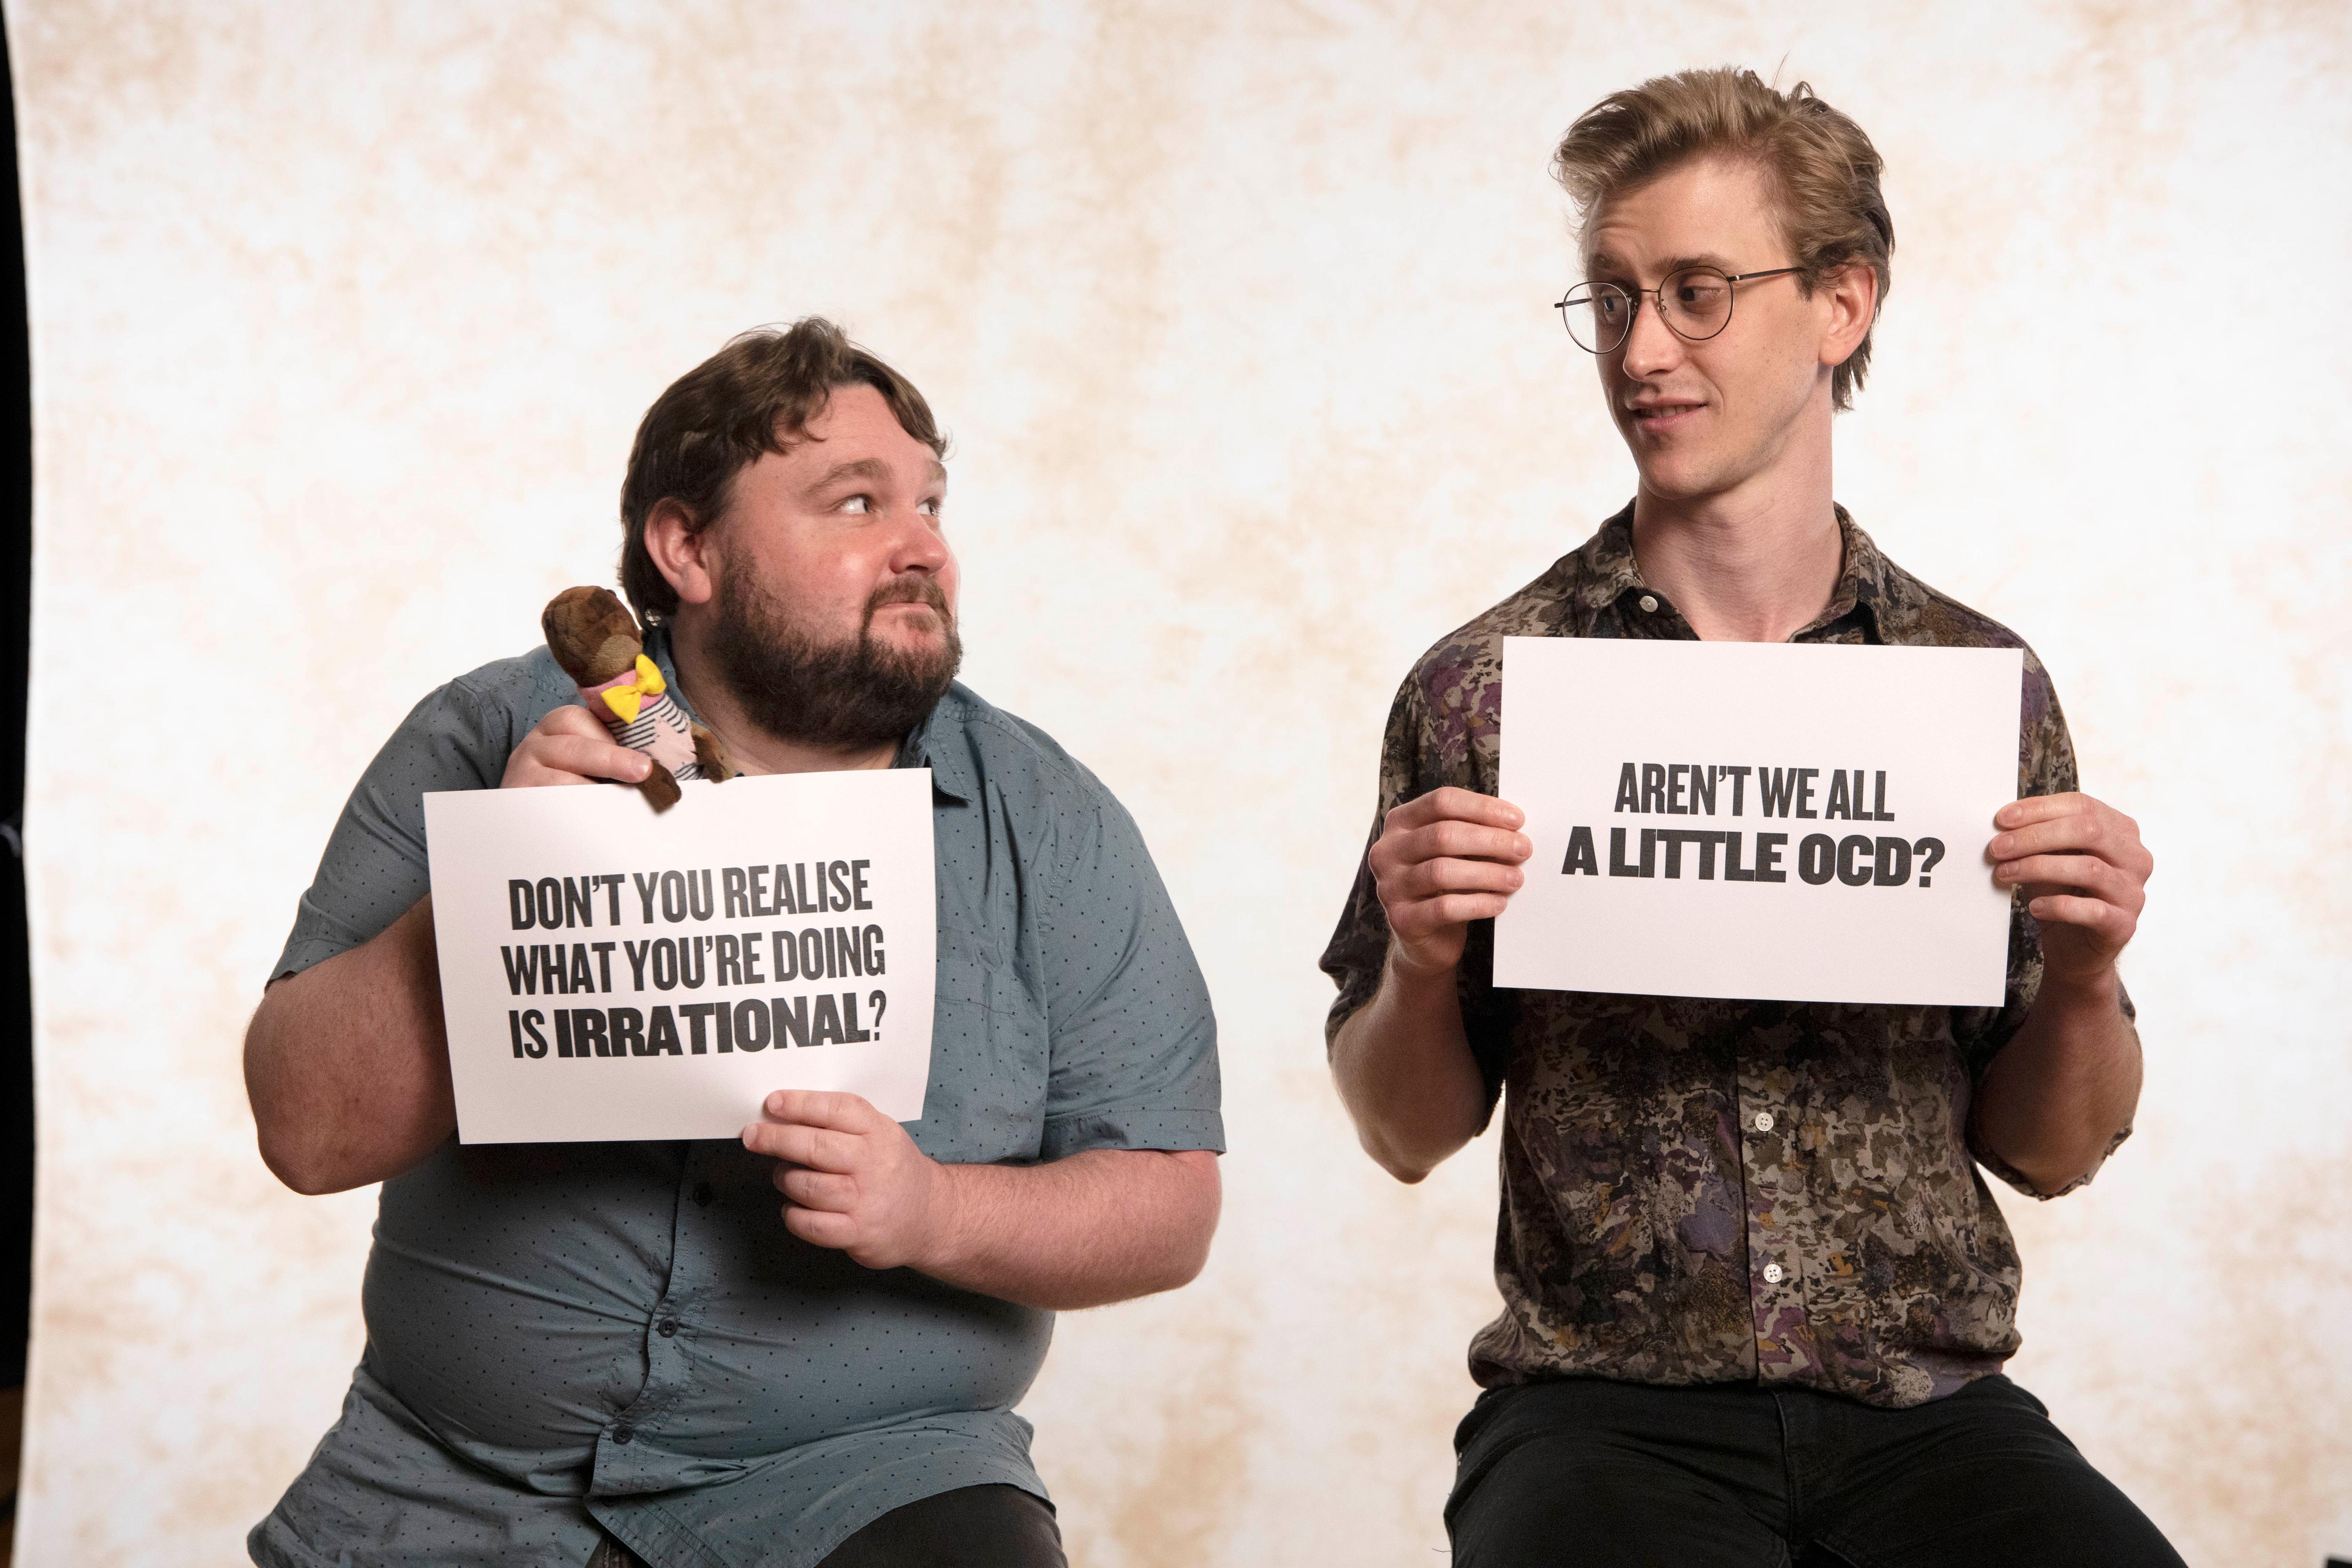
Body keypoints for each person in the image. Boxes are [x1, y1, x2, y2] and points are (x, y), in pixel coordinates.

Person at [1319, 69, 2178, 1565]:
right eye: (1616, 296)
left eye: (1700, 292)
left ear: (1842, 305)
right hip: (1599, 1413)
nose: (1645, 350)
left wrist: (2091, 973)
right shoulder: (1484, 693)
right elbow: (1406, 1135)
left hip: (1931, 1413)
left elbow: (2053, 1152)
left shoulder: (1975, 691)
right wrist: (1422, 963)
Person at [244, 319, 1224, 1568]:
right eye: (857, 502)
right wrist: (501, 887)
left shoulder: (1047, 816)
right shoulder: (489, 738)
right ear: (688, 549)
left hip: (876, 1487)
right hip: (451, 1488)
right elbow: (308, 1136)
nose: (924, 545)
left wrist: (932, 1211)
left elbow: (1170, 1205)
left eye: (930, 502)